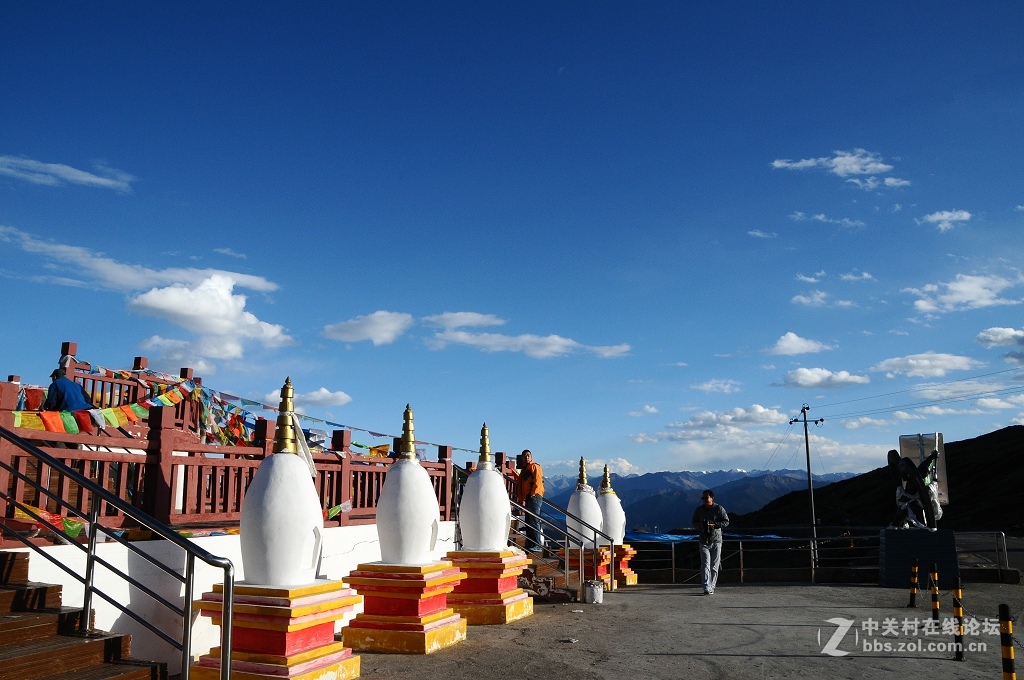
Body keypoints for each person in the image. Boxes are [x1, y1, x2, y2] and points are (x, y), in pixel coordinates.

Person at [692, 489, 729, 595]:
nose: (704, 500)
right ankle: (706, 587)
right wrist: (701, 526)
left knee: (714, 565)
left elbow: (726, 522)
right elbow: (694, 522)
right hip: (703, 540)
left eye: (706, 498)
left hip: (717, 540)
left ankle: (712, 586)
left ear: (712, 498)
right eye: (702, 498)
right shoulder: (699, 510)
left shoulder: (719, 509)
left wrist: (715, 525)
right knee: (705, 564)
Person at [516, 449, 545, 552]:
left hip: (534, 496)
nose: (527, 457)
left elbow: (538, 482)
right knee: (529, 521)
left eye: (528, 455)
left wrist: (532, 494)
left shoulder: (534, 466)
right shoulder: (524, 470)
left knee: (534, 520)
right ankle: (531, 543)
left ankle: (537, 544)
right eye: (525, 456)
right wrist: (521, 499)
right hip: (528, 497)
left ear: (531, 457)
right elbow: (521, 486)